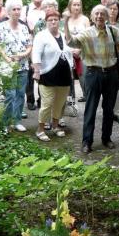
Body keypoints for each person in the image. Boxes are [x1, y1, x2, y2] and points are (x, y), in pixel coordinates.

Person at [64, 5, 119, 153]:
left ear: (106, 16)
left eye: (102, 14)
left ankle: (106, 138)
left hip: (111, 74)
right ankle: (87, 142)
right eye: (96, 14)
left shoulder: (114, 31)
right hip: (93, 74)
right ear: (92, 17)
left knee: (109, 109)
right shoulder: (86, 33)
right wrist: (66, 23)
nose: (99, 16)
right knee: (90, 109)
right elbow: (71, 43)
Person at [32, 10, 75, 141]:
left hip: (64, 75)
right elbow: (36, 54)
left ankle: (55, 126)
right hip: (47, 75)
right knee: (47, 103)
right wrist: (37, 71)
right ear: (46, 22)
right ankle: (40, 130)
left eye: (55, 19)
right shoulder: (41, 36)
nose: (53, 22)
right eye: (50, 20)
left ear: (59, 21)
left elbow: (69, 53)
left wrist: (72, 70)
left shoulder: (63, 35)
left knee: (60, 103)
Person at [0, 0, 32, 133]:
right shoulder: (2, 26)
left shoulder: (24, 27)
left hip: (22, 66)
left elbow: (29, 47)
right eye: (14, 9)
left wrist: (21, 55)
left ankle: (16, 121)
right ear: (8, 11)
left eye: (18, 9)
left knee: (20, 94)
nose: (16, 11)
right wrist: (8, 59)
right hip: (7, 66)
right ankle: (5, 123)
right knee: (10, 95)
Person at [21, 0, 45, 111]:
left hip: (44, 45)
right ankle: (30, 100)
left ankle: (42, 99)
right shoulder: (26, 9)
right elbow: (21, 26)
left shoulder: (46, 9)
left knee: (43, 72)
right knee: (30, 74)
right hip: (30, 44)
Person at [66, 0, 91, 102]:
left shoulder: (85, 19)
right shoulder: (66, 20)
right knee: (69, 77)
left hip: (83, 52)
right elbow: (64, 37)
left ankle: (87, 96)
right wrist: (70, 50)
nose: (76, 7)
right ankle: (70, 100)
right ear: (70, 6)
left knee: (84, 77)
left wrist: (80, 50)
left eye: (78, 4)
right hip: (68, 52)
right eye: (74, 4)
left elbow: (89, 37)